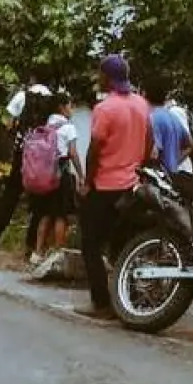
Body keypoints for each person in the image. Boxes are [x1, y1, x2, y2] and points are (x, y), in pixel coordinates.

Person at [77, 55, 152, 319]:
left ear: (106, 77)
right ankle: (128, 301)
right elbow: (149, 142)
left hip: (105, 186)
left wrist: (87, 183)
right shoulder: (142, 104)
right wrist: (136, 166)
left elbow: (94, 149)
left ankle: (101, 303)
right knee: (123, 246)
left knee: (90, 244)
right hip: (132, 186)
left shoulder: (105, 108)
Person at [0, 76, 51, 247]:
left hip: (22, 152)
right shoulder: (51, 100)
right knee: (39, 202)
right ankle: (31, 246)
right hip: (42, 157)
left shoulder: (22, 96)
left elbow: (8, 123)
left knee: (11, 195)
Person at [27, 92, 83, 278]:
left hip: (44, 177)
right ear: (62, 107)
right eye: (70, 105)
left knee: (44, 215)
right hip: (61, 176)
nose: (72, 109)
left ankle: (37, 253)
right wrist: (81, 175)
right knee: (61, 216)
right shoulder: (68, 128)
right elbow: (73, 153)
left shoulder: (45, 126)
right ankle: (58, 254)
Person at [148, 76, 192, 174]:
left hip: (164, 177)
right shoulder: (172, 116)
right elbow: (190, 144)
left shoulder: (152, 118)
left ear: (144, 94)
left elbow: (154, 154)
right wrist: (173, 163)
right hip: (176, 176)